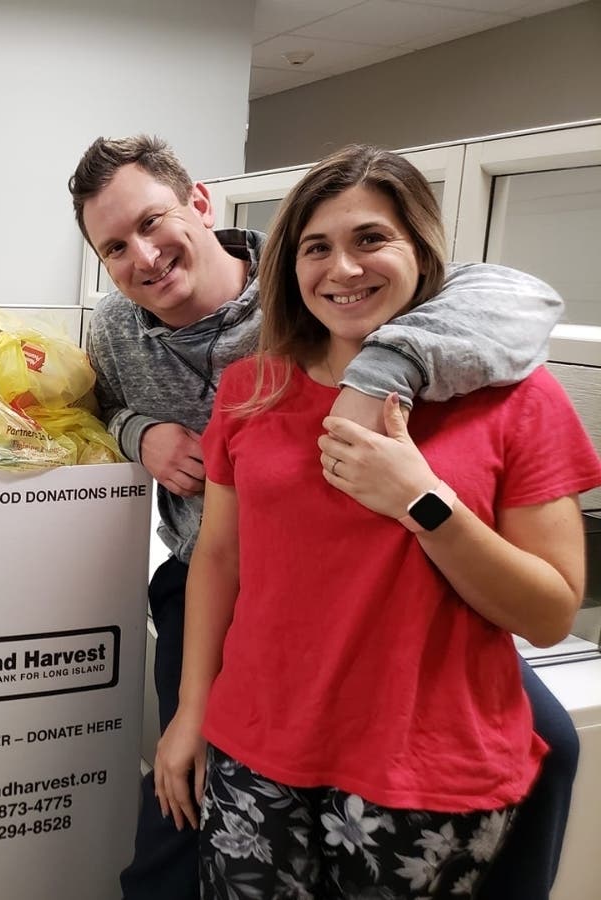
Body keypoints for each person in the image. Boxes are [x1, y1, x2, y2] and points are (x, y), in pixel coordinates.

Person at [67, 135, 575, 900]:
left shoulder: (331, 290)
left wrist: (384, 380)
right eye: (114, 246)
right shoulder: (137, 335)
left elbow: (513, 298)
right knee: (180, 803)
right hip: (244, 621)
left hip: (400, 641)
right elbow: (104, 410)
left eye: (153, 222)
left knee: (554, 743)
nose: (142, 256)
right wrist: (140, 432)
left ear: (200, 204)